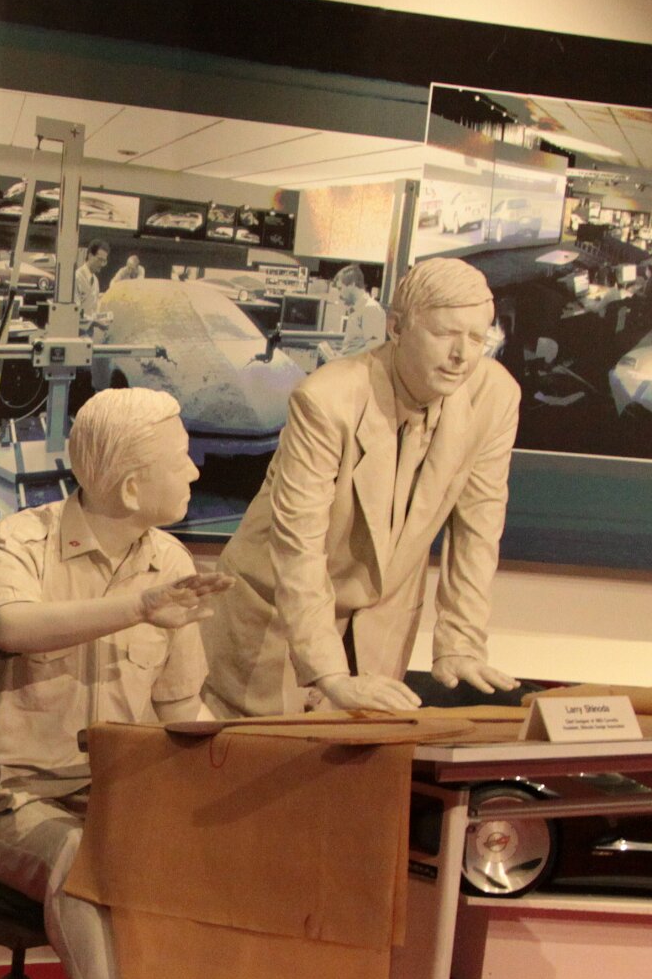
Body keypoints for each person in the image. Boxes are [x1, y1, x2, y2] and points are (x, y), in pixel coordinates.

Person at [0, 387, 234, 979]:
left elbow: (180, 705)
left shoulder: (169, 559)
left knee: (232, 851)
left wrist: (240, 779)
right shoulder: (18, 541)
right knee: (85, 857)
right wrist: (138, 608)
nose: (196, 472)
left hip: (120, 798)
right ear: (133, 486)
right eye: (183, 459)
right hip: (6, 802)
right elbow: (11, 628)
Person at [201, 255, 519, 722]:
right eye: (445, 334)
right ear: (396, 327)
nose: (462, 355)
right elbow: (298, 545)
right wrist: (328, 672)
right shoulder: (327, 399)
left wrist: (460, 643)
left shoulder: (495, 395)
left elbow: (479, 527)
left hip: (378, 622)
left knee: (362, 757)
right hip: (278, 610)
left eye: (477, 338)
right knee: (264, 757)